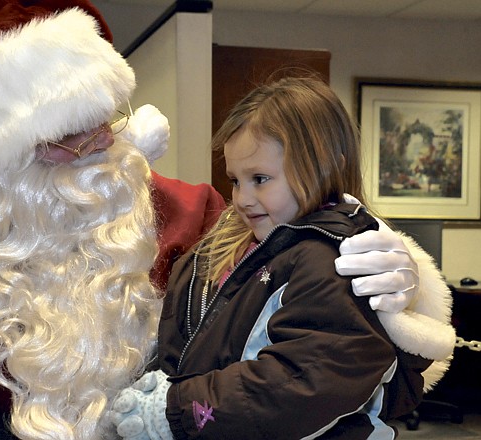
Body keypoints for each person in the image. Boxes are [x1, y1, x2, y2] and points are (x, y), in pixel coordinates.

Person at [0, 1, 448, 440]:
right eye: (61, 138)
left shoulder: (188, 212)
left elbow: (318, 317)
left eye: (103, 125)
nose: (94, 152)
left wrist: (402, 282)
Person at [109, 77, 455, 439]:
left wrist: (179, 409)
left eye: (260, 178)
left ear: (325, 167)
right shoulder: (223, 245)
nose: (242, 198)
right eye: (235, 180)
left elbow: (306, 379)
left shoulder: (339, 261)